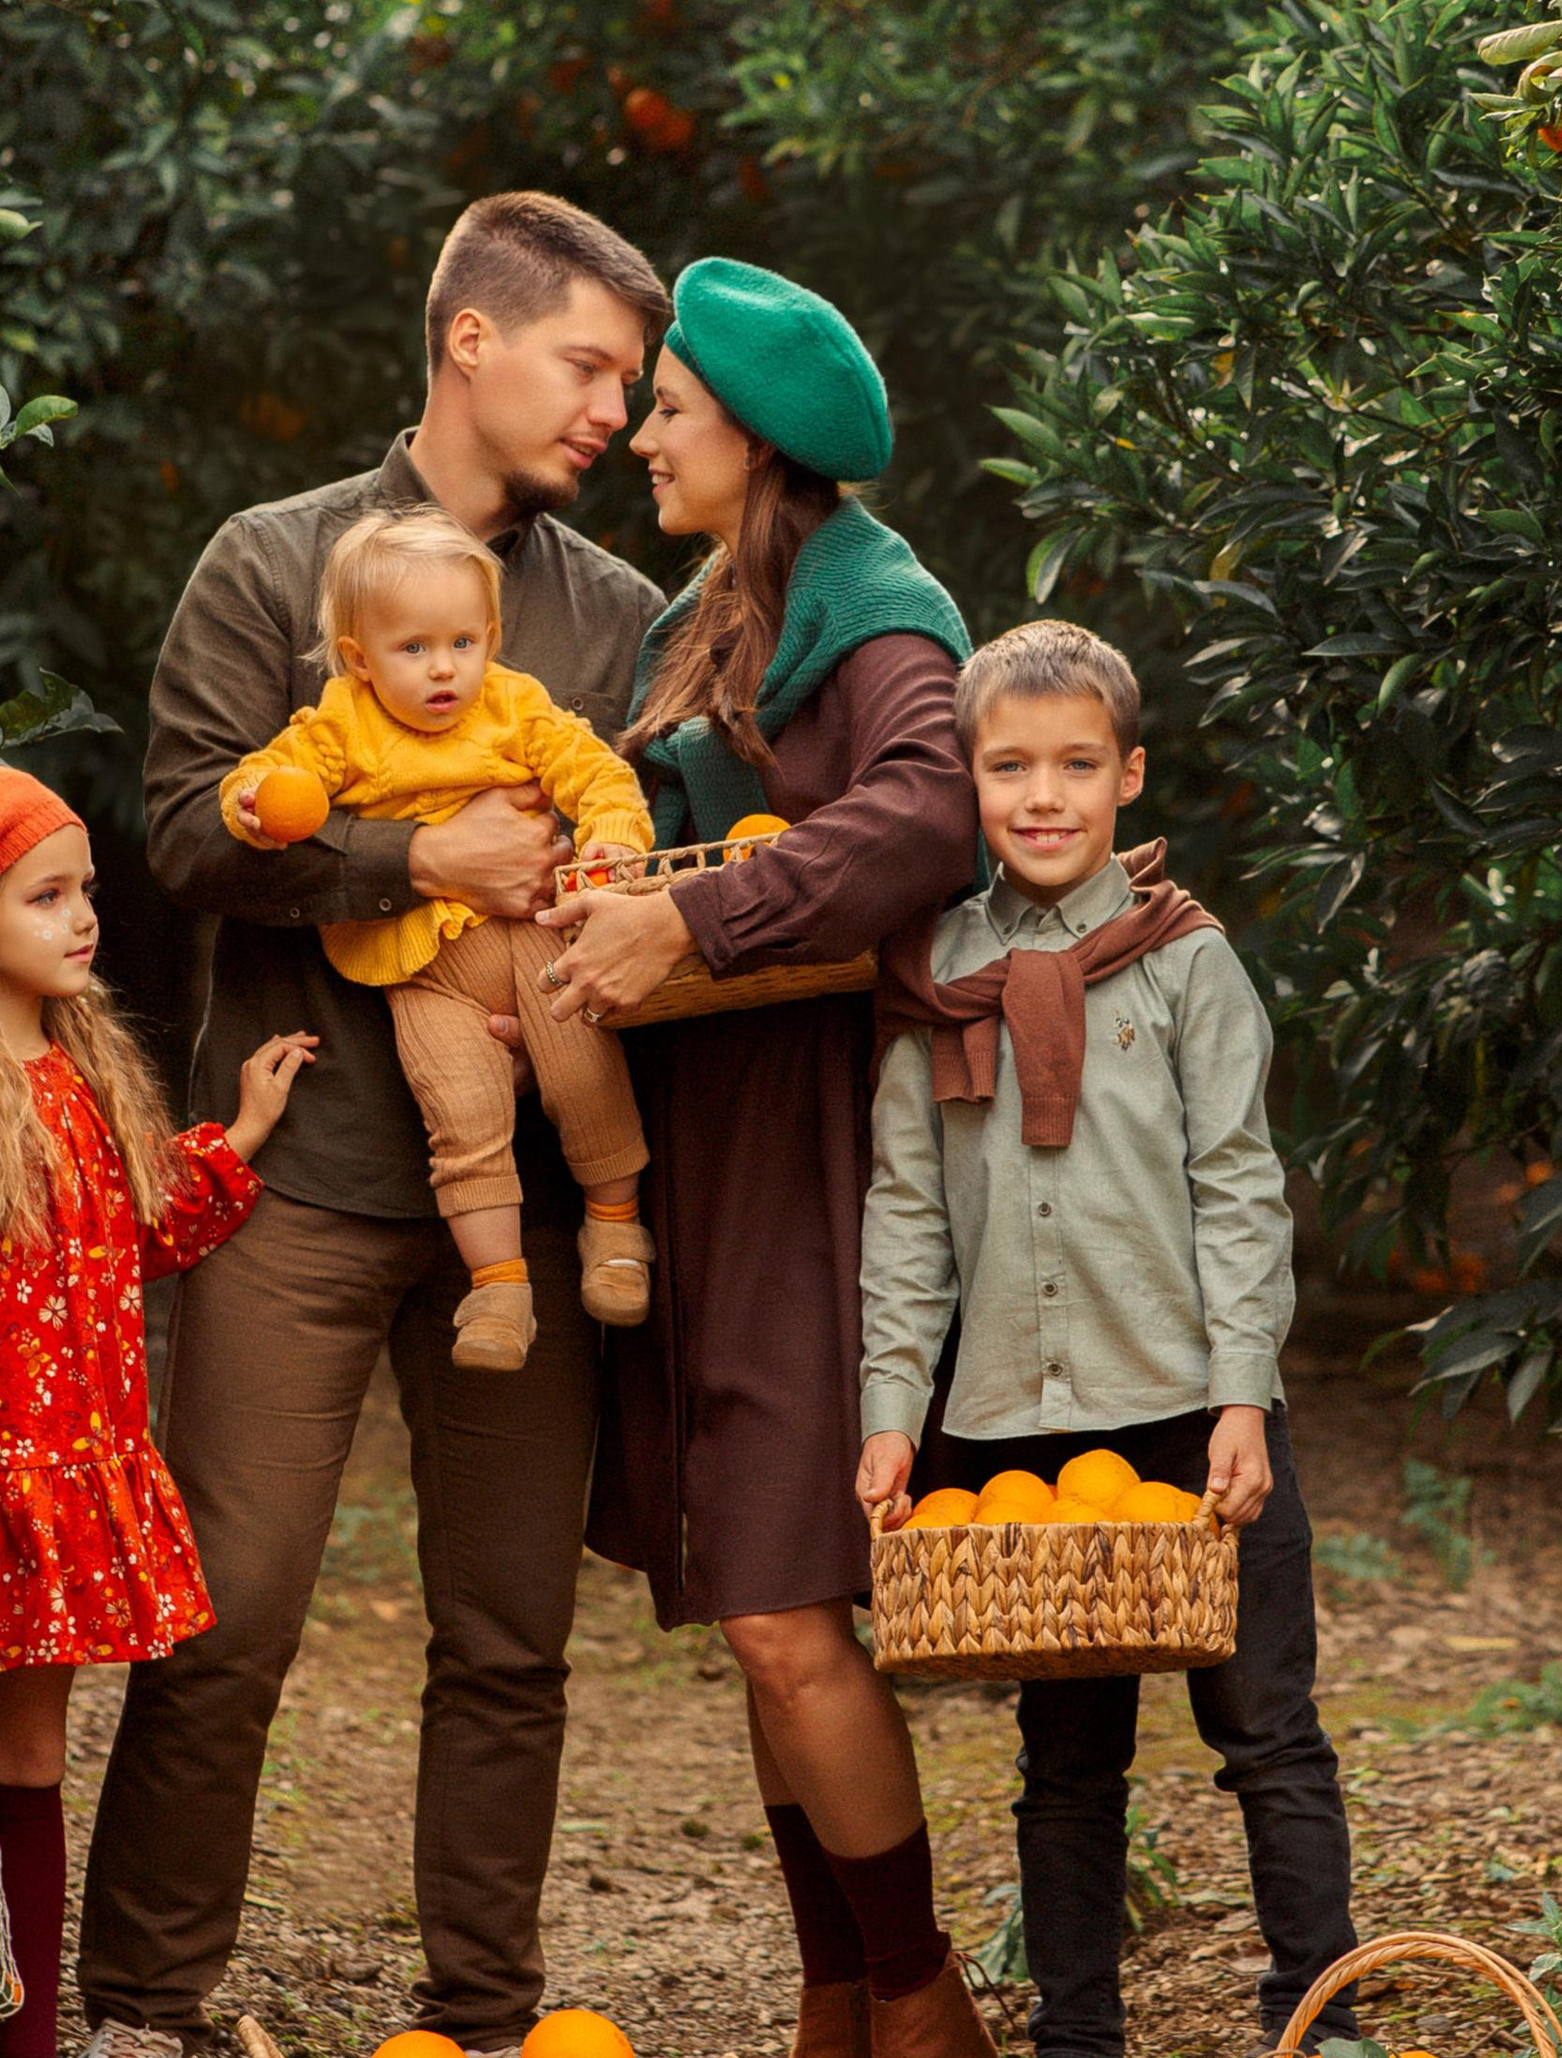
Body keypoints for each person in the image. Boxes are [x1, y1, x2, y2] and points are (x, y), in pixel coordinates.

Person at [79, 193, 671, 2058]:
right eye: (588, 365)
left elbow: (654, 863)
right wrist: (411, 854)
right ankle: (144, 2007)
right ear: (472, 342)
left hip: (525, 1213)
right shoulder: (269, 566)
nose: (611, 410)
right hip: (302, 1188)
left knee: (506, 1635)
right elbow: (179, 831)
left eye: (633, 383)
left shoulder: (620, 615)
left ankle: (483, 2018)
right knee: (230, 1614)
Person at [535, 259, 993, 2058]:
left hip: (821, 1147)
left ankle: (920, 1996)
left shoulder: (884, 615)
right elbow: (639, 829)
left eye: (670, 407)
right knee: (752, 1609)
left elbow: (931, 814)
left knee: (793, 1601)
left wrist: (707, 918)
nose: (643, 432)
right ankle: (835, 1991)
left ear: (760, 435)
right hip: (699, 1146)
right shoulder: (694, 616)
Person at [857, 619, 1361, 2058]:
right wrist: (895, 1411)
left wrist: (1244, 1401)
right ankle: (1078, 2038)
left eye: (1077, 763)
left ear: (1128, 774)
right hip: (1017, 1429)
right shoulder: (931, 980)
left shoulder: (1187, 963)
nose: (1044, 794)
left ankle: (1315, 2016)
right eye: (1010, 765)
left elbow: (1238, 1189)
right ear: (967, 781)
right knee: (1067, 1764)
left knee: (1266, 1731)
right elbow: (909, 1216)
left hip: (1191, 1410)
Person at [0, 760, 316, 2058]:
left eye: (86, 891)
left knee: (31, 1756)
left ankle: (21, 2035)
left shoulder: (85, 1083)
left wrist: (237, 1137)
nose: (84, 917)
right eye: (47, 896)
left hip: (67, 1486)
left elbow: (137, 1229)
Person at [219, 505, 655, 1371]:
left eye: (463, 642)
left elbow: (597, 769)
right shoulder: (347, 720)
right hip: (422, 967)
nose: (444, 668)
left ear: (490, 638)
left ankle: (615, 1230)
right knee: (461, 1115)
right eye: (412, 649)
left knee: (582, 1069)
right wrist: (259, 803)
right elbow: (276, 771)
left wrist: (611, 835)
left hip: (533, 937)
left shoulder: (514, 704)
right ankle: (498, 1287)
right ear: (359, 660)